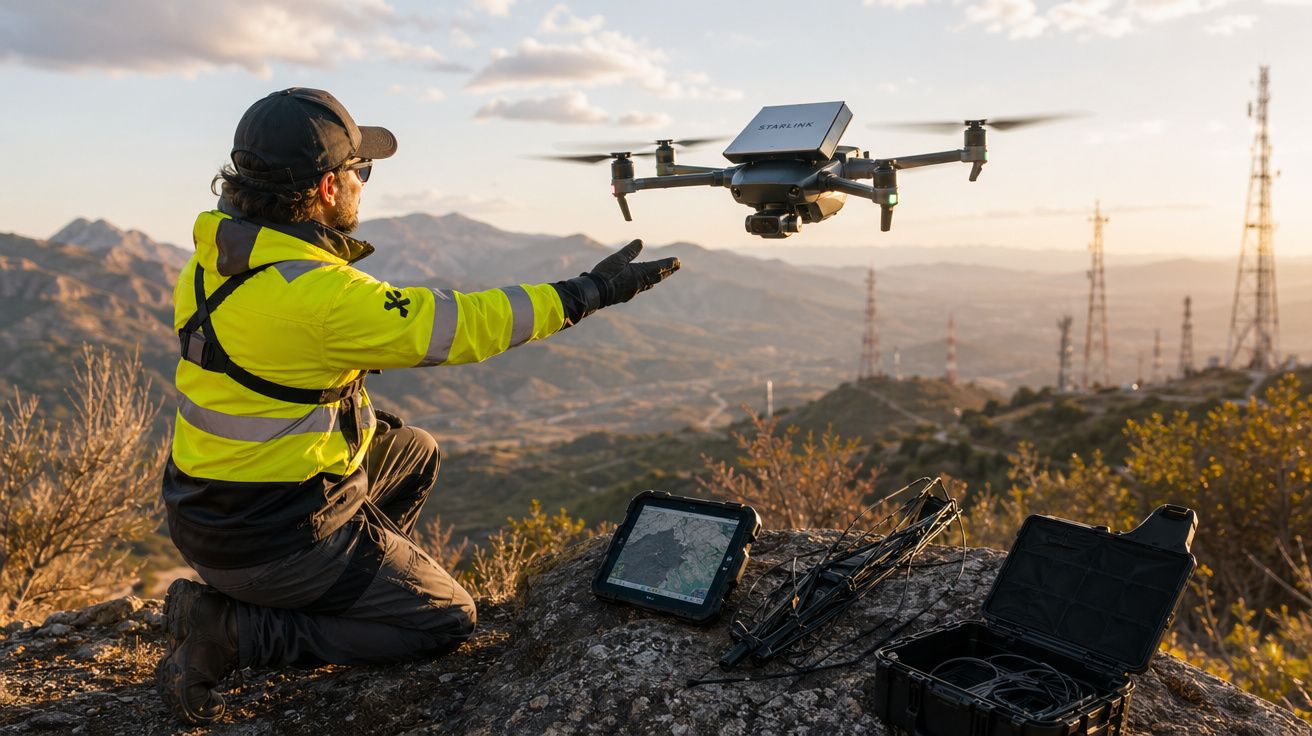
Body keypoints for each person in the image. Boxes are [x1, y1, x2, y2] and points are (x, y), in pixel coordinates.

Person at [156, 87, 680, 724]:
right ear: (327, 186)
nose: (363, 184)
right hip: (272, 540)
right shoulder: (320, 294)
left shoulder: (213, 262)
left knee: (414, 451)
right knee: (444, 618)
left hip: (207, 509)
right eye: (360, 169)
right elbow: (459, 325)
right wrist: (585, 293)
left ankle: (349, 587)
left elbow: (273, 375)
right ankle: (237, 629)